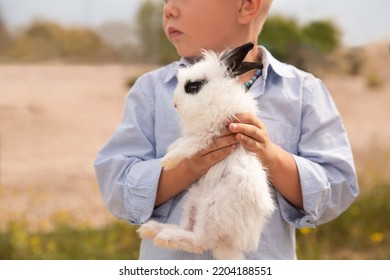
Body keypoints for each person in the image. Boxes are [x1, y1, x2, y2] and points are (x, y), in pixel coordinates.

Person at [94, 0, 359, 259]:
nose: (168, 9)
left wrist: (271, 156)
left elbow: (337, 187)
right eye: (165, 0)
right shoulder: (151, 90)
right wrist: (189, 167)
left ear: (246, 6)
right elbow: (117, 185)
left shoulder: (304, 91)